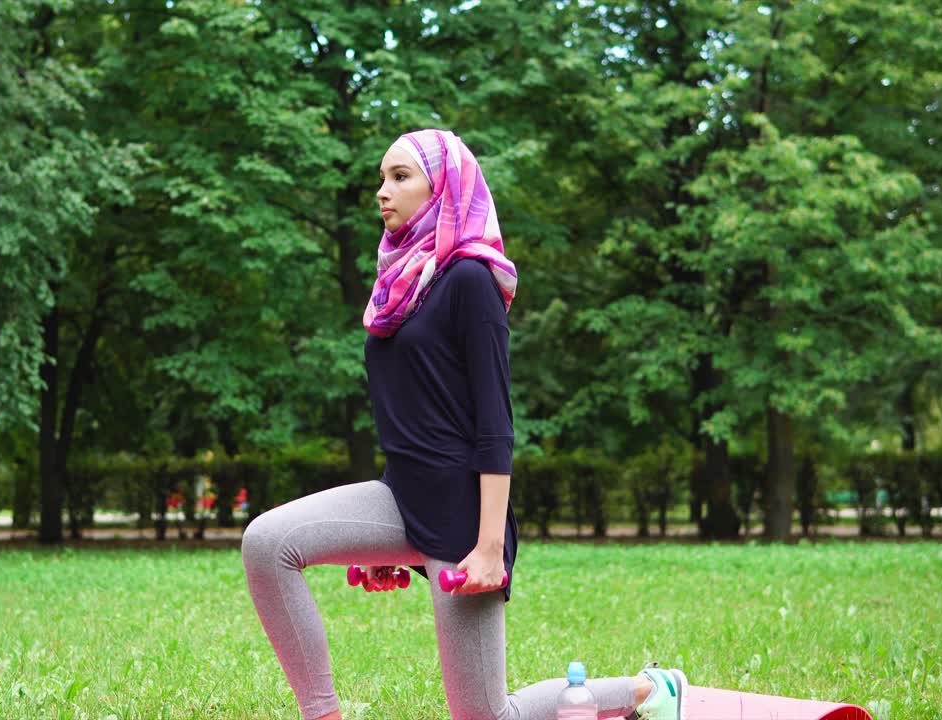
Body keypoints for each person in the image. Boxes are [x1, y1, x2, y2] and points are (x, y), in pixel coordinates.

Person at [242, 129, 688, 720]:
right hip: (401, 492)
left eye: (400, 177)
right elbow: (414, 414)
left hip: (462, 514)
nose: (382, 192)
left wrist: (486, 547)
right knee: (267, 543)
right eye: (381, 177)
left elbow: (494, 426)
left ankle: (649, 692)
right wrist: (386, 545)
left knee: (484, 715)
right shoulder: (399, 285)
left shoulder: (471, 280)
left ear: (444, 187)